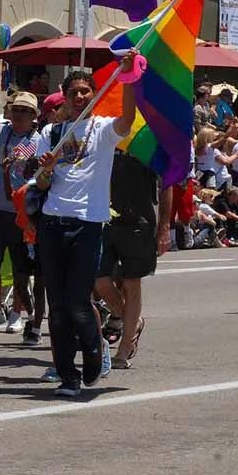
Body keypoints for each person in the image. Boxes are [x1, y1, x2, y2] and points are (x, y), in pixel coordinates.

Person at [33, 56, 137, 397]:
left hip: (87, 224)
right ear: (64, 97)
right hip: (52, 222)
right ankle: (68, 376)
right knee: (57, 309)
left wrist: (128, 78)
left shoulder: (103, 129)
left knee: (78, 304)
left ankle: (94, 350)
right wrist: (47, 169)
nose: (79, 97)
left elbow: (127, 119)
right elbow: (40, 183)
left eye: (85, 91)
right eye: (73, 92)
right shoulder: (51, 133)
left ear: (94, 95)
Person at [94, 150, 171, 370]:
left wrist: (164, 226)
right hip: (104, 218)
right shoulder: (106, 136)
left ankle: (125, 348)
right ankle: (131, 320)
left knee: (131, 283)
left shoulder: (149, 142)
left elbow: (167, 185)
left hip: (139, 221)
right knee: (99, 281)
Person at [0, 92, 42, 341]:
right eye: (16, 110)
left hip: (22, 212)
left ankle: (17, 312)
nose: (19, 115)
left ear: (34, 115)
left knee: (20, 267)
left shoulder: (38, 141)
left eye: (25, 111)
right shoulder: (2, 132)